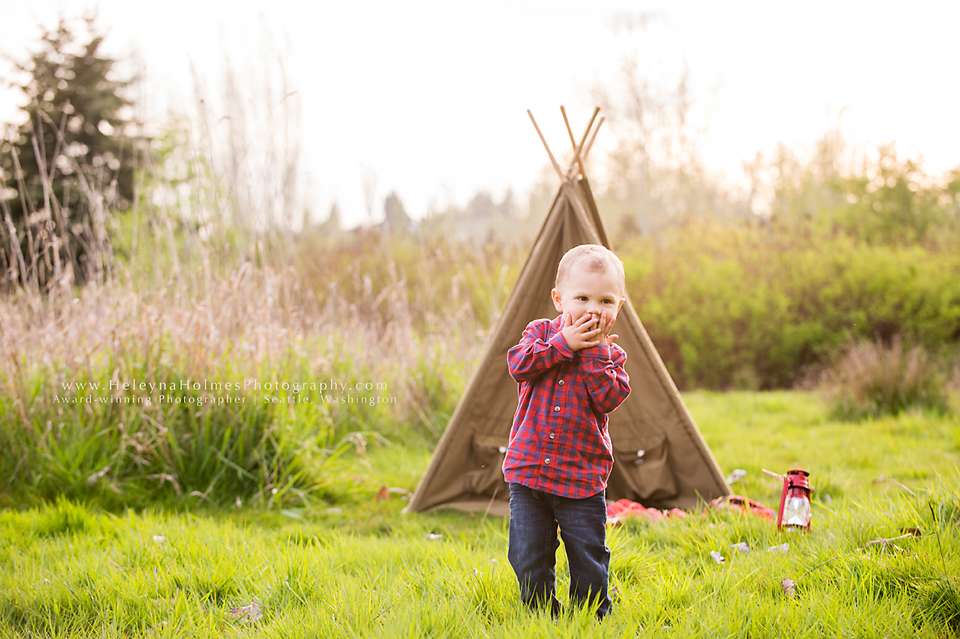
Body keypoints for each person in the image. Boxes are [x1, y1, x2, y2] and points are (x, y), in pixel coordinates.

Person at [503, 243, 631, 619]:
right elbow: (518, 364)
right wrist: (564, 345)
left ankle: (591, 617)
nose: (594, 309)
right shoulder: (539, 333)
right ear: (559, 300)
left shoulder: (612, 357)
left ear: (618, 307)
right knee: (528, 554)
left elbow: (608, 398)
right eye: (582, 298)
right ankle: (541, 614)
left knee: (588, 555)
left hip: (581, 478)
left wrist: (592, 351)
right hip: (529, 473)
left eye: (606, 301)